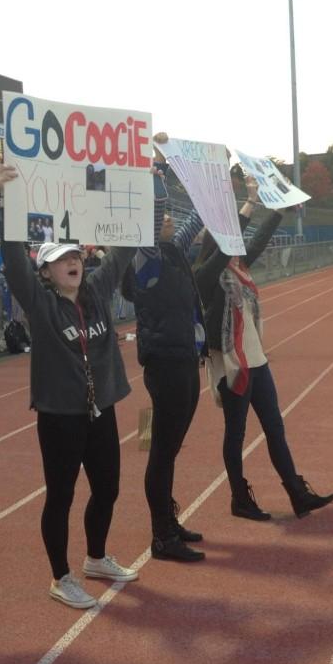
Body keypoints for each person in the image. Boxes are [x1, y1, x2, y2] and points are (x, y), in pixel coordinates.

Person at [0, 158, 139, 610]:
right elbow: (13, 261)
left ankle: (96, 557)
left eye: (76, 255)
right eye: (61, 260)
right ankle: (61, 576)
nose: (73, 262)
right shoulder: (40, 304)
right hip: (60, 417)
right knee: (61, 495)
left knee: (109, 487)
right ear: (46, 272)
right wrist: (8, 198)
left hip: (101, 412)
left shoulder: (96, 293)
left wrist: (134, 191)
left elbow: (120, 253)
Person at [194, 185, 333, 521]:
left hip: (256, 361)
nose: (237, 244)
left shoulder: (239, 265)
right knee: (236, 433)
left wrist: (279, 209)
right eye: (229, 239)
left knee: (274, 427)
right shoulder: (205, 275)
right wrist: (250, 201)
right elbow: (232, 242)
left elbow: (257, 240)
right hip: (233, 365)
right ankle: (239, 498)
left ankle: (297, 494)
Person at [120, 134, 207, 562]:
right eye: (162, 216)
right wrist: (157, 170)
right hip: (165, 363)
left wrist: (205, 178)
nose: (171, 220)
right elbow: (154, 221)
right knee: (160, 448)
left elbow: (195, 217)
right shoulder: (148, 257)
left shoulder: (173, 252)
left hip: (186, 359)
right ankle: (161, 536)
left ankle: (169, 522)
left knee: (170, 447)